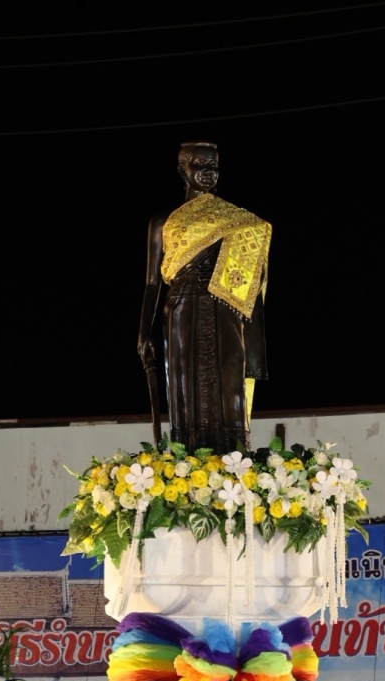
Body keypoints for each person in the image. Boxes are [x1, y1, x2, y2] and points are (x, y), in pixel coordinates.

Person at [137, 141, 271, 454]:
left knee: (230, 384)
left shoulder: (236, 219)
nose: (208, 172)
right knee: (184, 386)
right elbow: (152, 283)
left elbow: (251, 273)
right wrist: (143, 331)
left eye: (213, 166)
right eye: (200, 165)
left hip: (225, 308)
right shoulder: (163, 220)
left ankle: (235, 456)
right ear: (182, 169)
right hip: (181, 309)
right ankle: (186, 457)